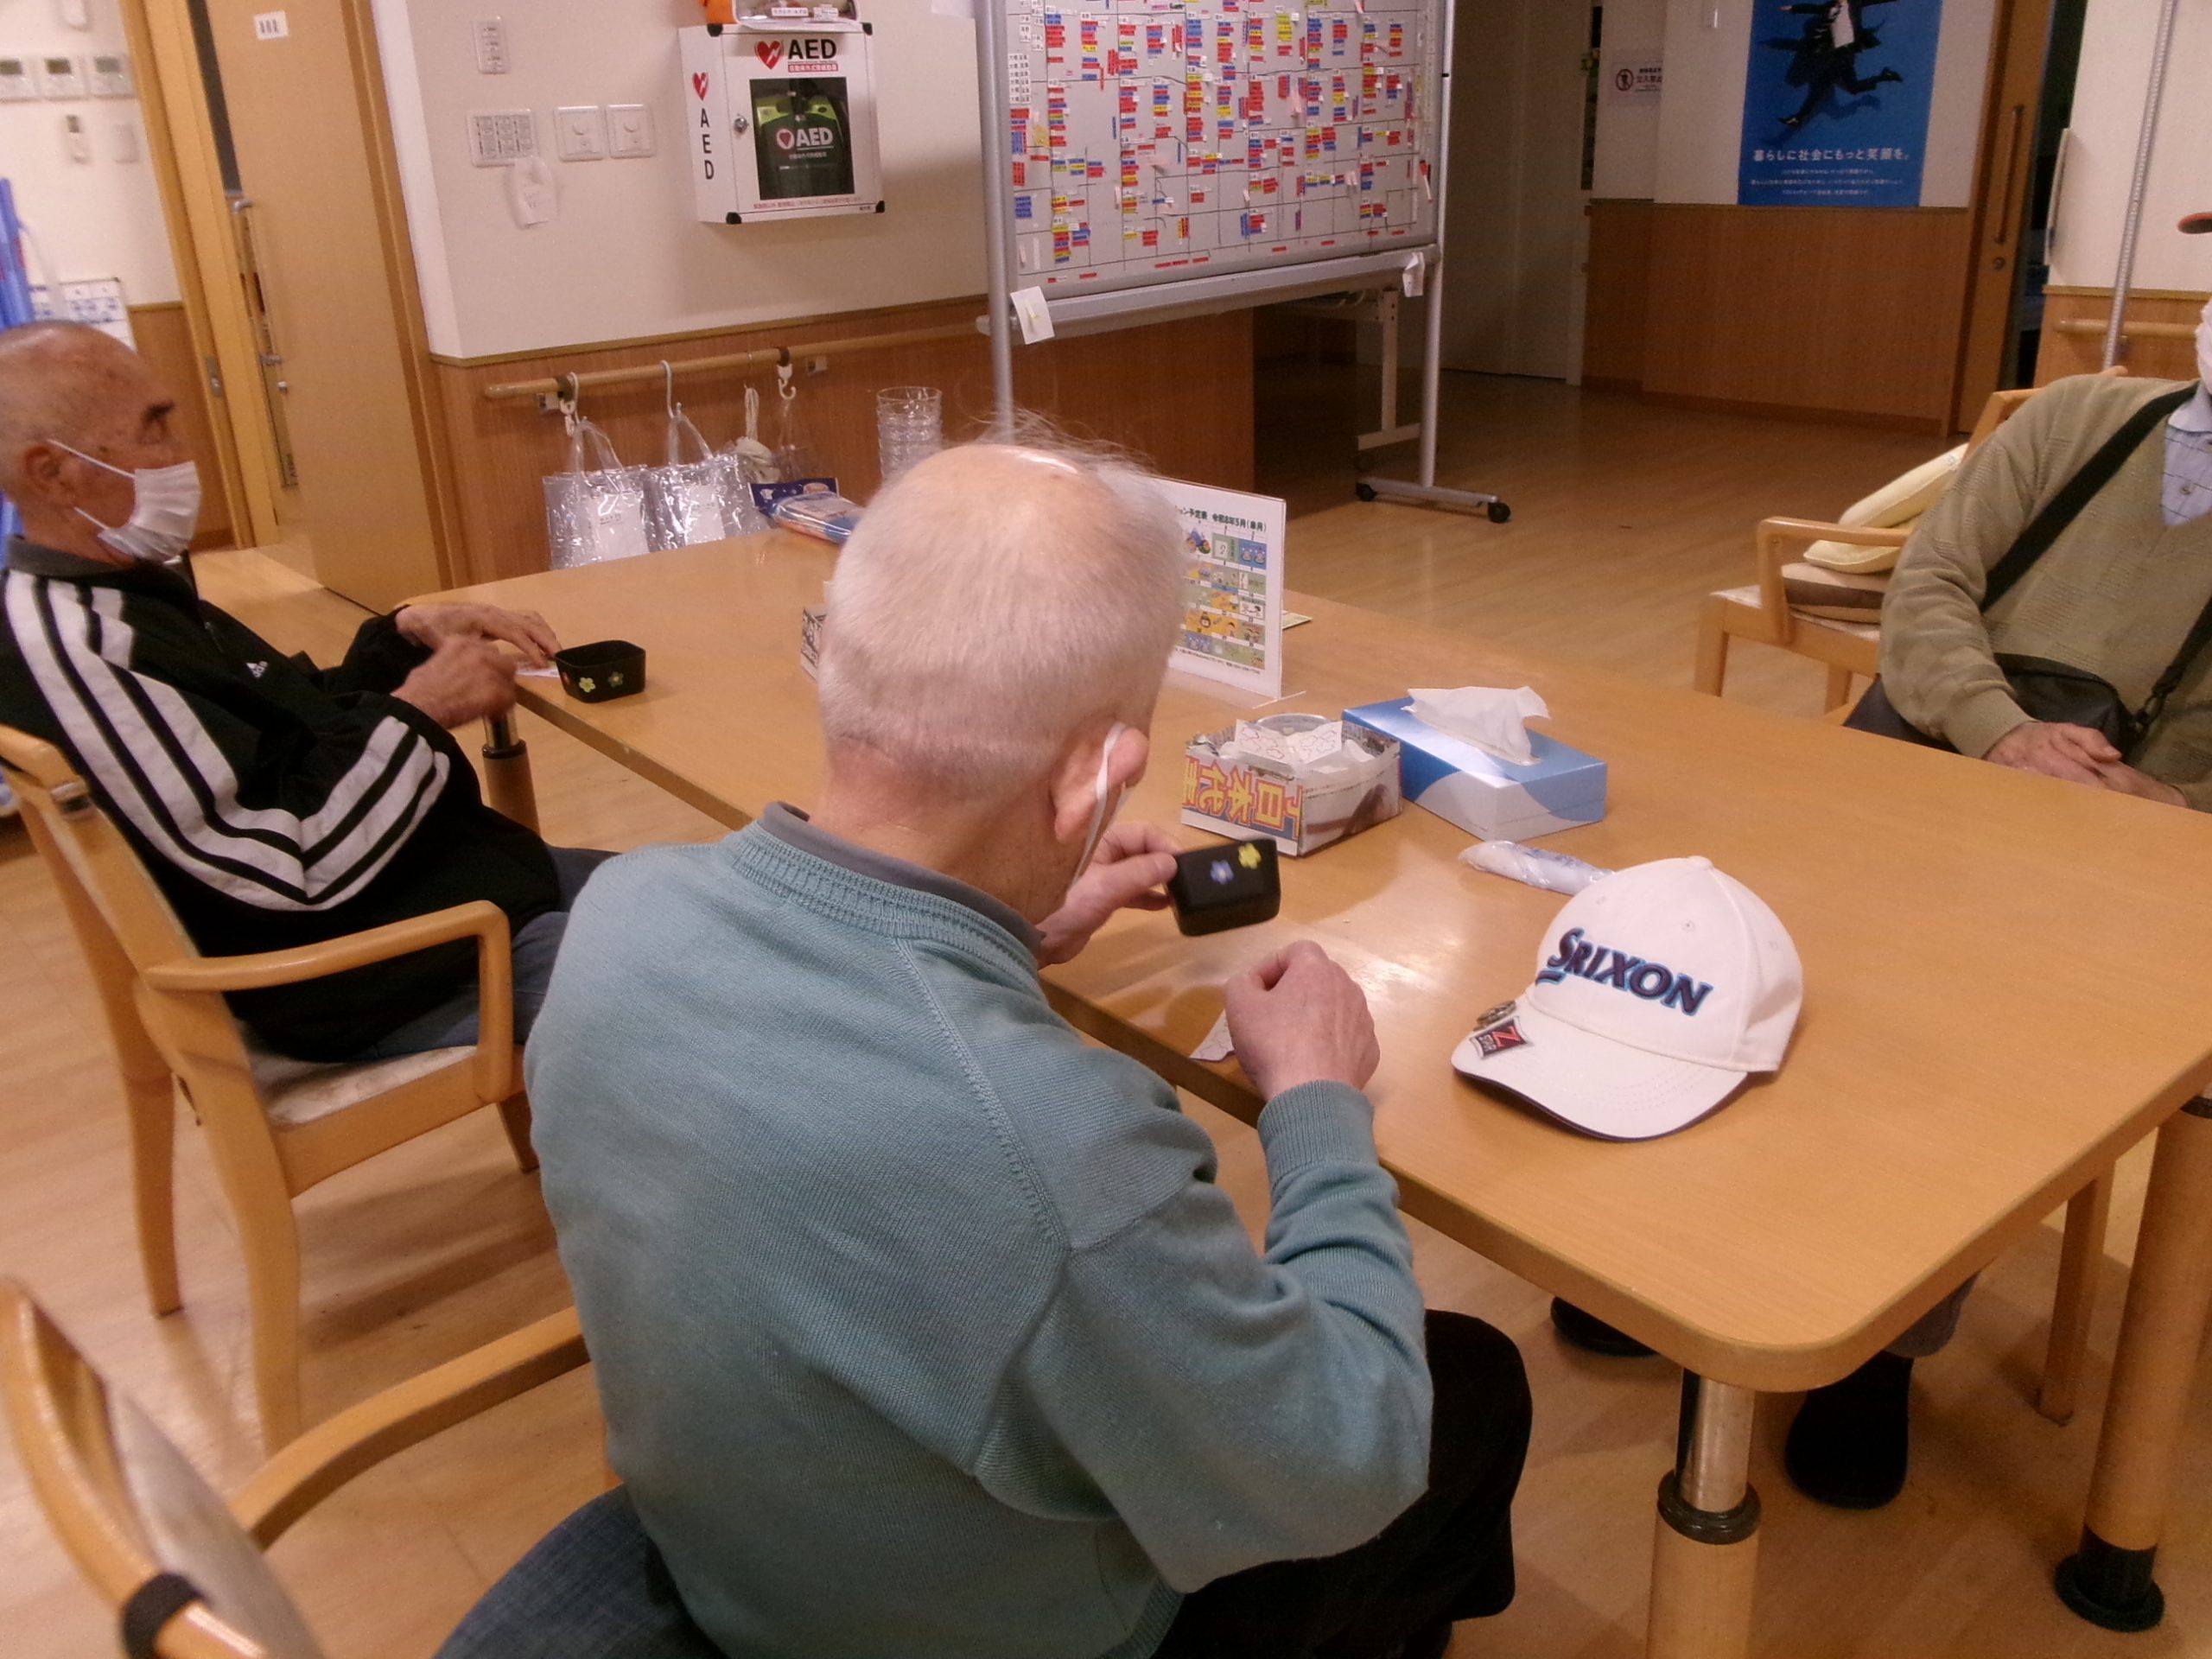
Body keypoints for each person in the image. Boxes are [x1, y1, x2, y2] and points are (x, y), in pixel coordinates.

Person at [525, 442, 1532, 1659]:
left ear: (834, 664)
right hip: (1018, 1632)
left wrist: (1011, 928)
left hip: (749, 1557)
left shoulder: (615, 917)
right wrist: (1318, 1103)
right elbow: (1345, 1463)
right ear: (1097, 779)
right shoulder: (1054, 1146)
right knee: (1468, 1382)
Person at [0, 321, 607, 1062]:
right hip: (388, 969)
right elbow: (287, 872)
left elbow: (296, 728)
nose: (183, 454)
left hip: (454, 883)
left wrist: (402, 638)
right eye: (154, 428)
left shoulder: (130, 589)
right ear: (52, 474)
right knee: (711, 969)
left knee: (718, 895)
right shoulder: (82, 649)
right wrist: (421, 711)